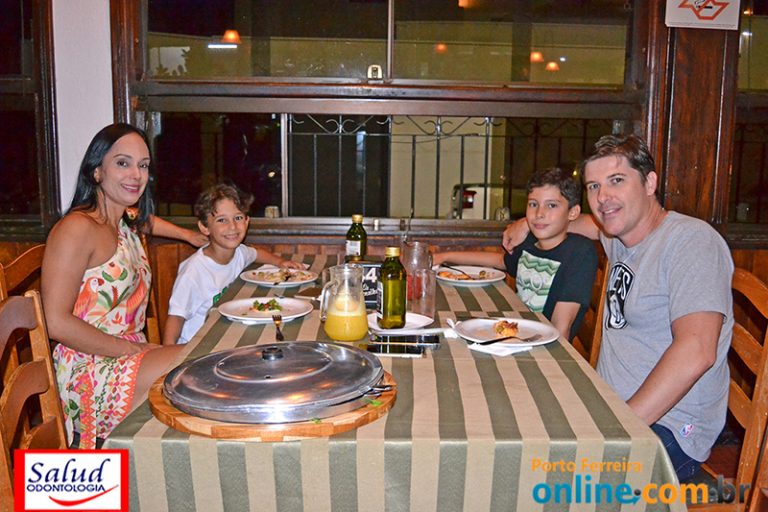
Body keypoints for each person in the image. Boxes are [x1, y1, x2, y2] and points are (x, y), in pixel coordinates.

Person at [503, 134, 734, 481]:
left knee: (540, 479)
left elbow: (697, 350)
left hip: (666, 428)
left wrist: (619, 430)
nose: (602, 197)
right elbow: (579, 223)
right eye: (594, 186)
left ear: (650, 183)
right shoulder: (619, 236)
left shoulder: (691, 242)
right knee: (509, 421)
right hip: (608, 403)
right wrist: (528, 223)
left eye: (617, 181)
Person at [41, 123, 207, 449]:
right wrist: (133, 350)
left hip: (124, 356)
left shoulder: (123, 223)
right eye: (122, 163)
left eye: (143, 165)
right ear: (97, 171)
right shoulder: (76, 228)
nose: (136, 174)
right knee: (198, 367)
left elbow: (146, 220)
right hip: (88, 370)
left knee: (204, 362)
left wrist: (187, 235)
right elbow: (55, 322)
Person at [434, 167, 598, 340]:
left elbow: (561, 327)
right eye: (533, 204)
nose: (539, 214)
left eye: (551, 205)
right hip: (515, 334)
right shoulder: (529, 242)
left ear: (573, 212)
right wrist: (444, 256)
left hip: (544, 345)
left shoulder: (579, 253)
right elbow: (500, 261)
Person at [162, 184, 302, 345]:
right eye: (222, 220)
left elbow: (256, 254)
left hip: (226, 337)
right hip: (197, 344)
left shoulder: (239, 252)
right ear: (204, 227)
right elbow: (176, 318)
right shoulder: (193, 272)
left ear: (247, 221)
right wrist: (170, 354)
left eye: (238, 218)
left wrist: (280, 262)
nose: (232, 226)